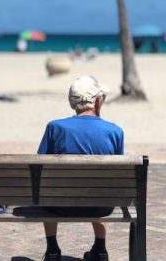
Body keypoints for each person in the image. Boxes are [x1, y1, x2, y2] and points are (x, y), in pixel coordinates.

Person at [37, 75, 124, 261]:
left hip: (59, 206)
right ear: (98, 101)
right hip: (100, 207)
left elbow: (39, 166)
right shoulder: (115, 132)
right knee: (101, 186)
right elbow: (118, 176)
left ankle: (52, 249)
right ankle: (100, 248)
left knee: (48, 189)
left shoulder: (55, 128)